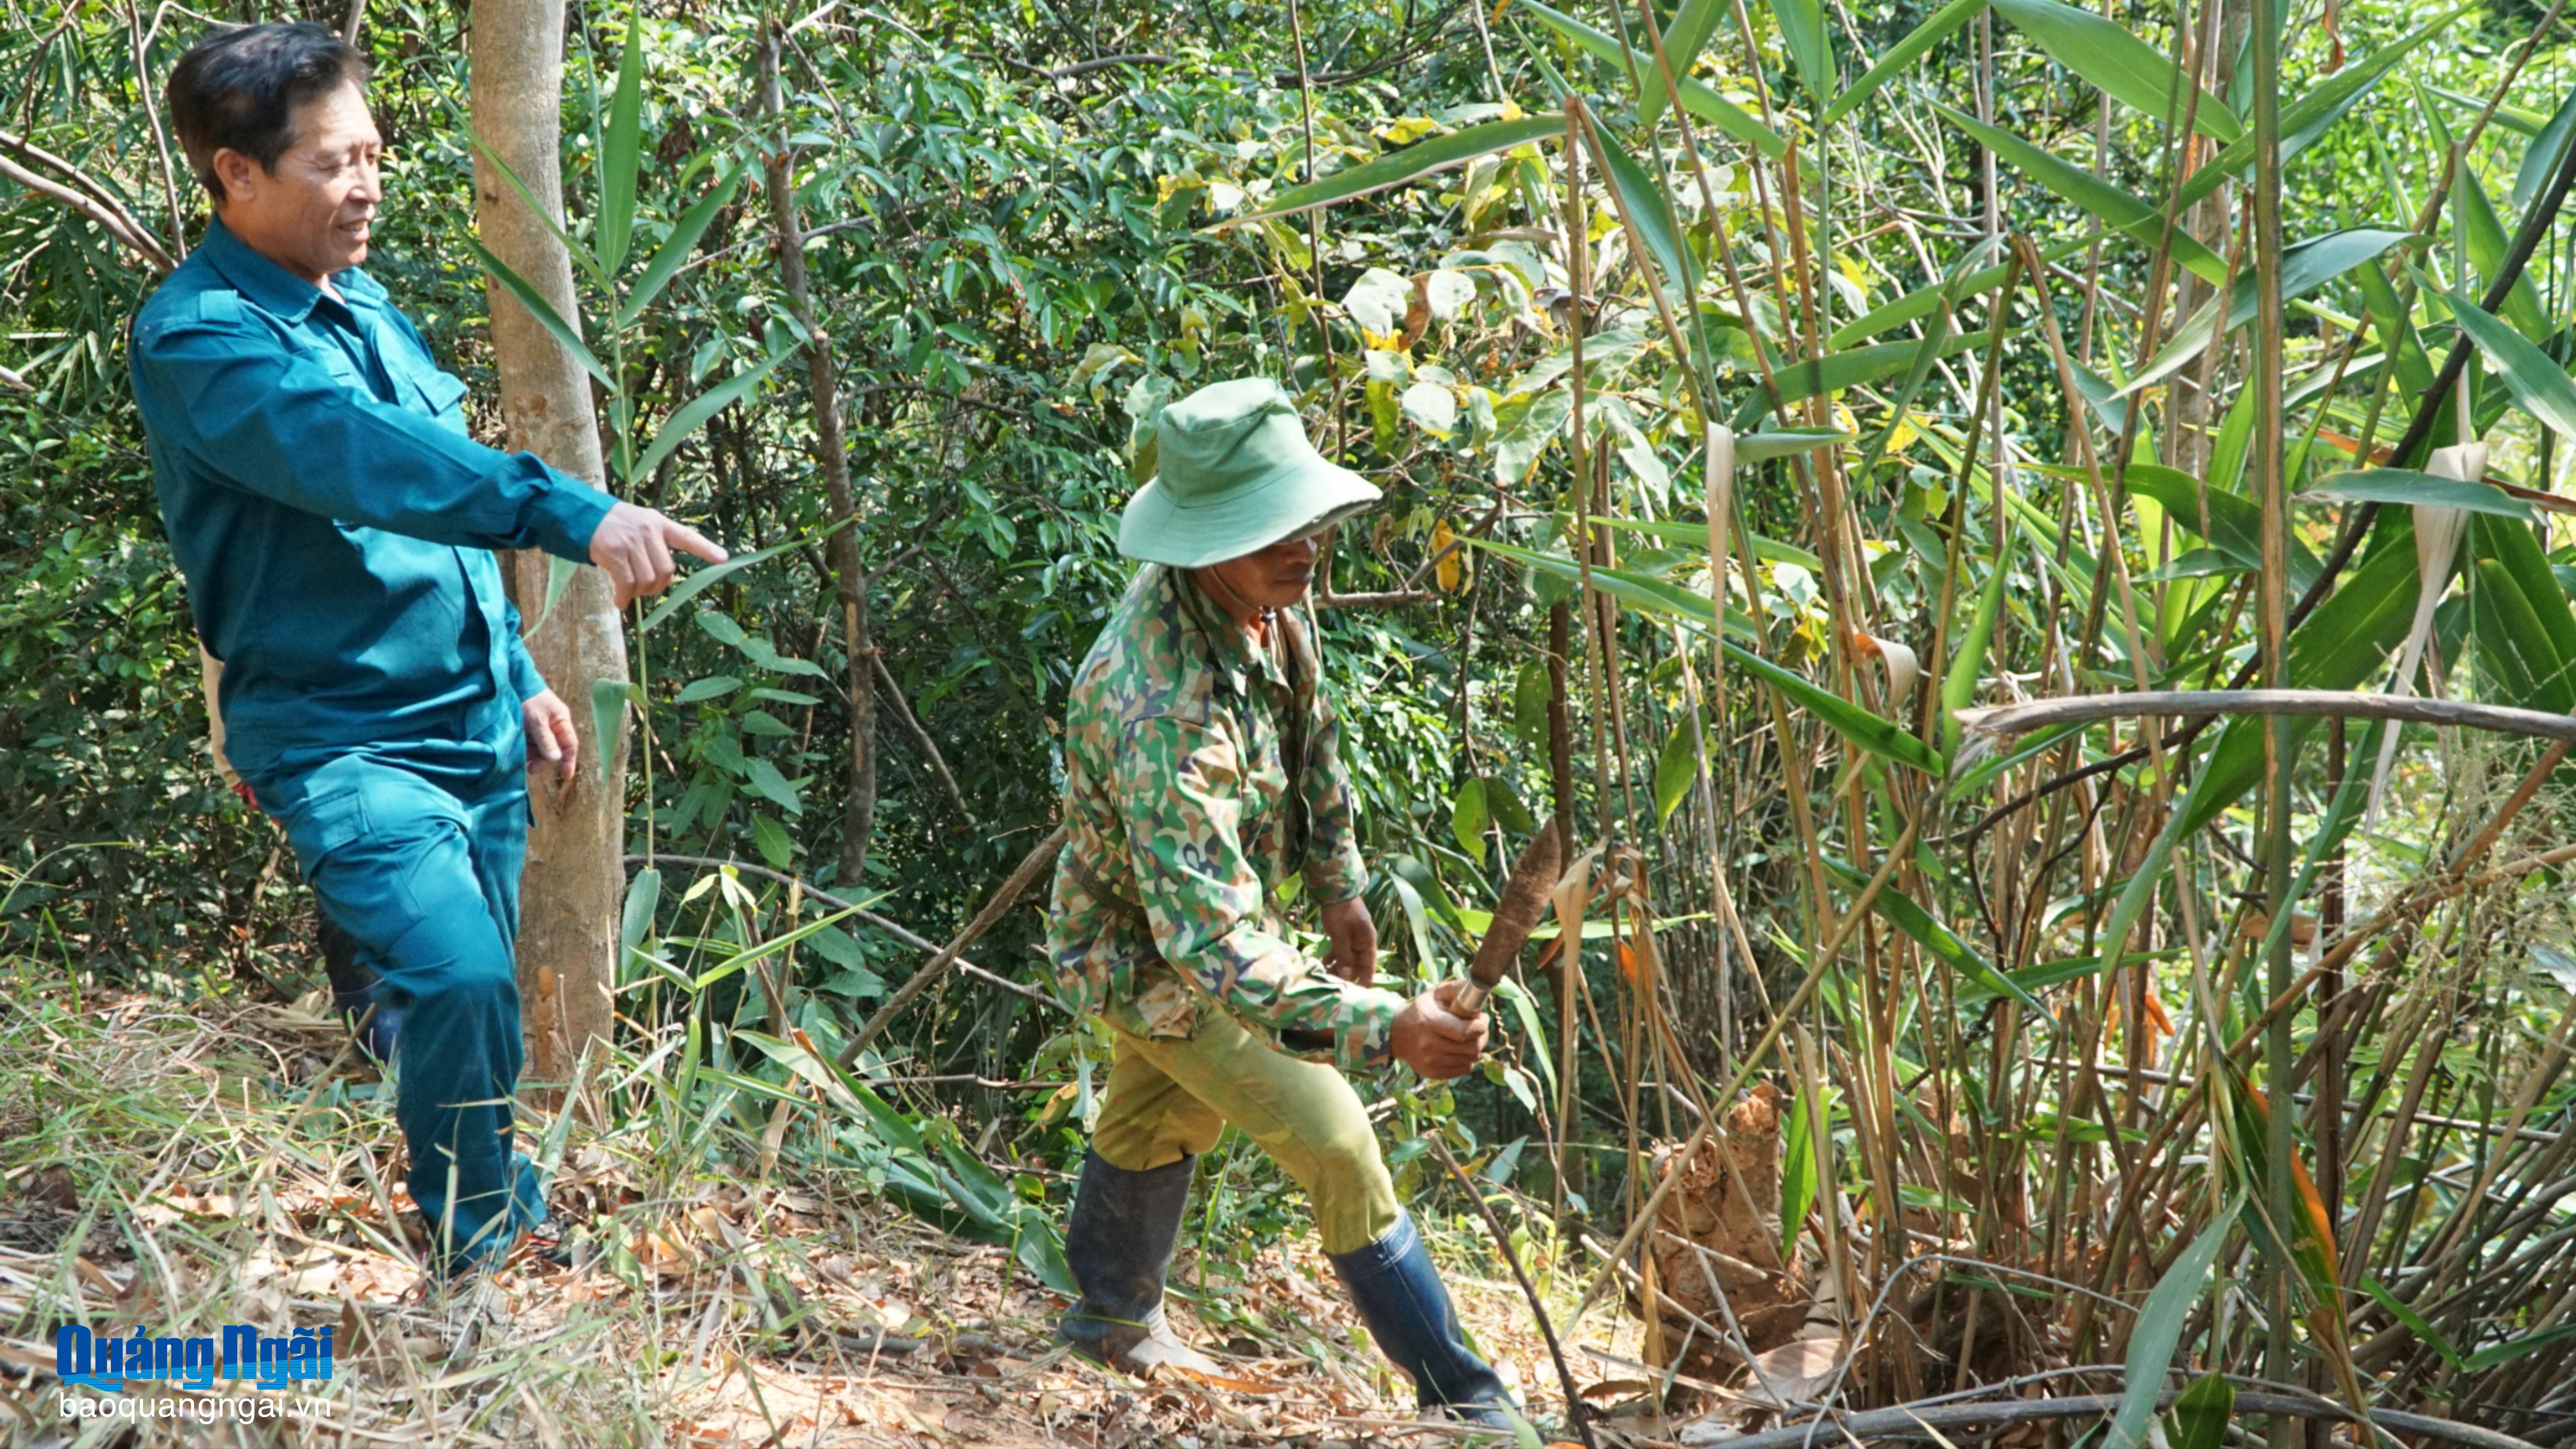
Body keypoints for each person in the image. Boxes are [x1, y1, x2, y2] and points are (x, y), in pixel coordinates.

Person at [132, 22, 722, 1277]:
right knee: (457, 980)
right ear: (235, 174)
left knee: (477, 1000)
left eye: (376, 153)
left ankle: (478, 1186)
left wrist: (514, 674)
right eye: (335, 164)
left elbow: (433, 534)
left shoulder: (369, 309)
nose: (368, 186)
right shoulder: (203, 342)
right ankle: (482, 1266)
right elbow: (379, 465)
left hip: (468, 715)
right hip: (342, 734)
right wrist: (575, 511)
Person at [1047, 377, 1514, 1429]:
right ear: (1202, 541)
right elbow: (1208, 947)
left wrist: (1339, 885)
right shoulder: (1160, 702)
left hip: (1206, 931)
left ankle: (1109, 1320)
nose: (1303, 546)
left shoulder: (1262, 604)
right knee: (1338, 1144)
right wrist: (1386, 1026)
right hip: (1153, 963)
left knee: (1162, 1106)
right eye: (1271, 532)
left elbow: (1314, 740)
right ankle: (1470, 1405)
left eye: (1304, 522)